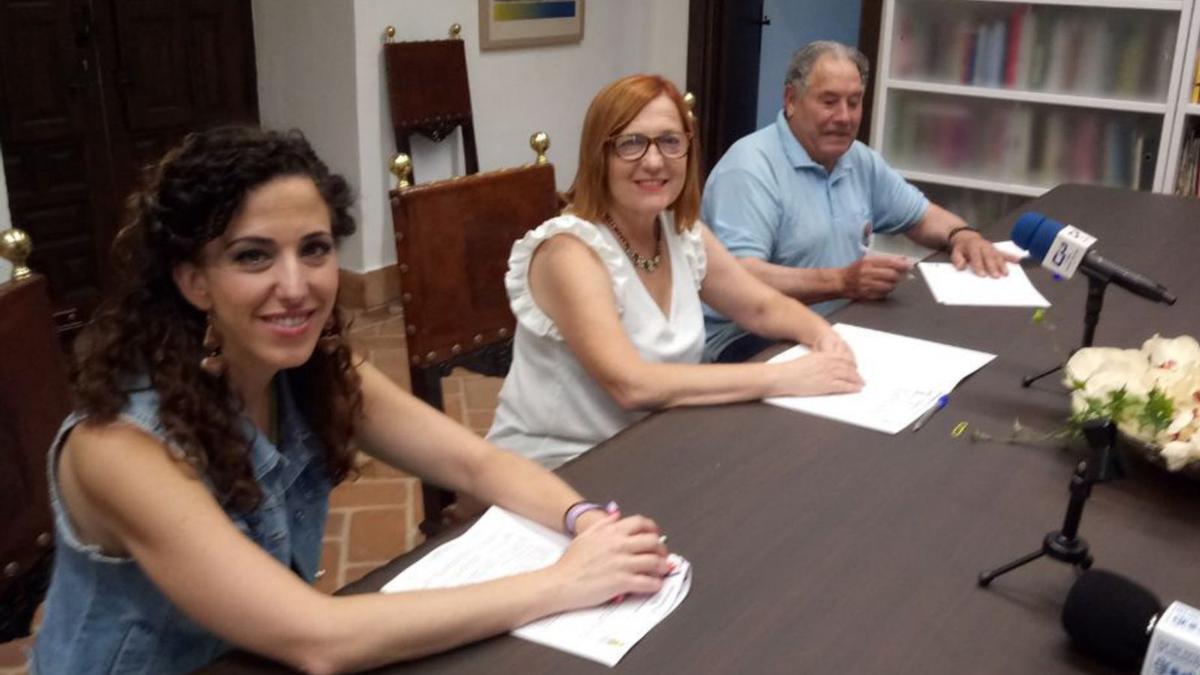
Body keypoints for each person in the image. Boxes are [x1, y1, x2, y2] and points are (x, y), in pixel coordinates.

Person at [30, 126, 673, 675]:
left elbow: (477, 465)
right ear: (193, 280)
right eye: (253, 257)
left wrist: (586, 522)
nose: (296, 286)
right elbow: (318, 638)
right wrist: (564, 582)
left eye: (313, 250)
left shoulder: (313, 372)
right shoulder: (118, 447)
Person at [485, 74, 864, 471]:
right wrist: (783, 377)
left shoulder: (681, 234)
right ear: (600, 155)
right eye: (631, 143)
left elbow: (762, 307)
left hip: (653, 446)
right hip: (559, 468)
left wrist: (824, 338)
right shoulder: (569, 252)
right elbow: (631, 385)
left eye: (670, 141)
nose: (653, 161)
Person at [702, 41, 1017, 363]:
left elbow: (921, 216)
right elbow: (740, 278)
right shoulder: (748, 168)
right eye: (829, 102)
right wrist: (840, 282)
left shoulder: (858, 159)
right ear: (791, 100)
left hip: (837, 322)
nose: (844, 117)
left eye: (854, 103)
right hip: (748, 336)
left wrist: (962, 235)